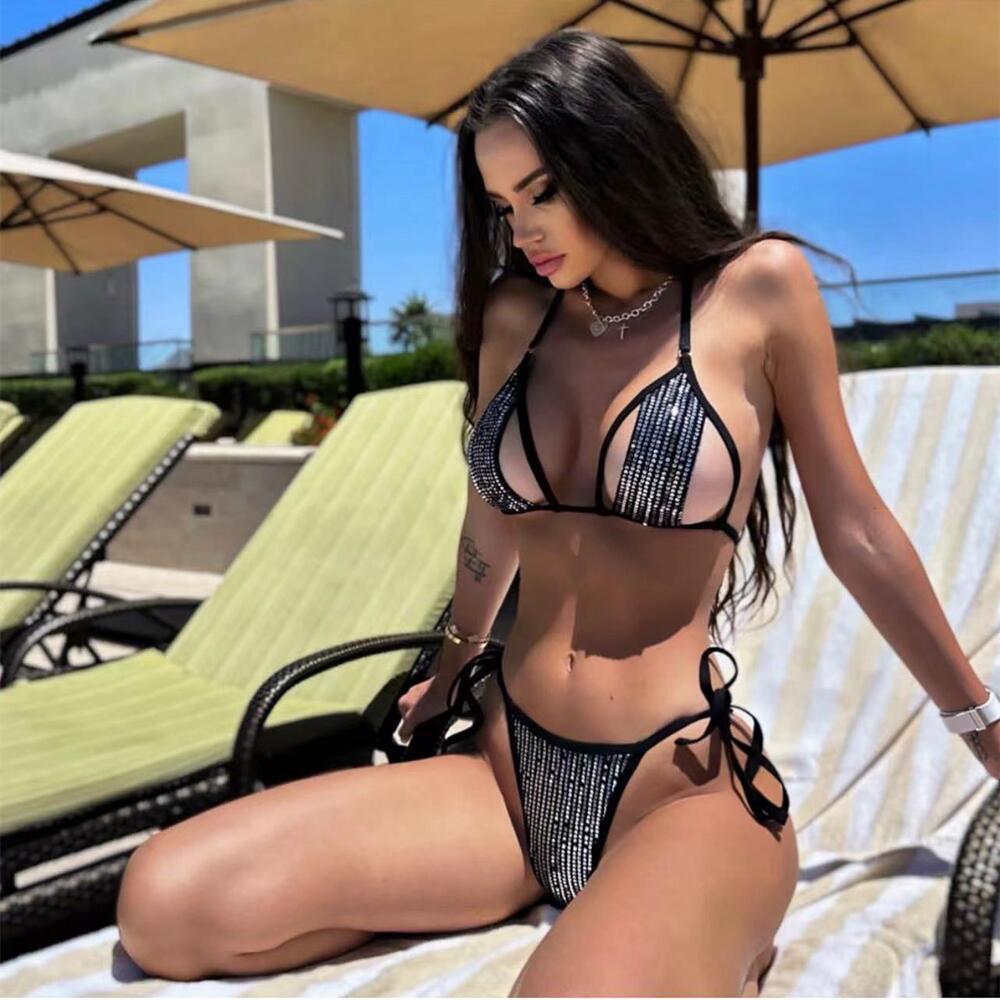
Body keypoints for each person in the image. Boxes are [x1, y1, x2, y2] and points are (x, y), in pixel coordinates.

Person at [115, 28, 1000, 994]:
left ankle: (700, 935)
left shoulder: (758, 289)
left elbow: (856, 529)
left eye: (542, 192)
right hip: (506, 774)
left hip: (676, 787)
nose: (523, 229)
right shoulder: (515, 316)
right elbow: (490, 520)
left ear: (616, 156)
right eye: (503, 206)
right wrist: (450, 662)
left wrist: (982, 725)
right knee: (165, 904)